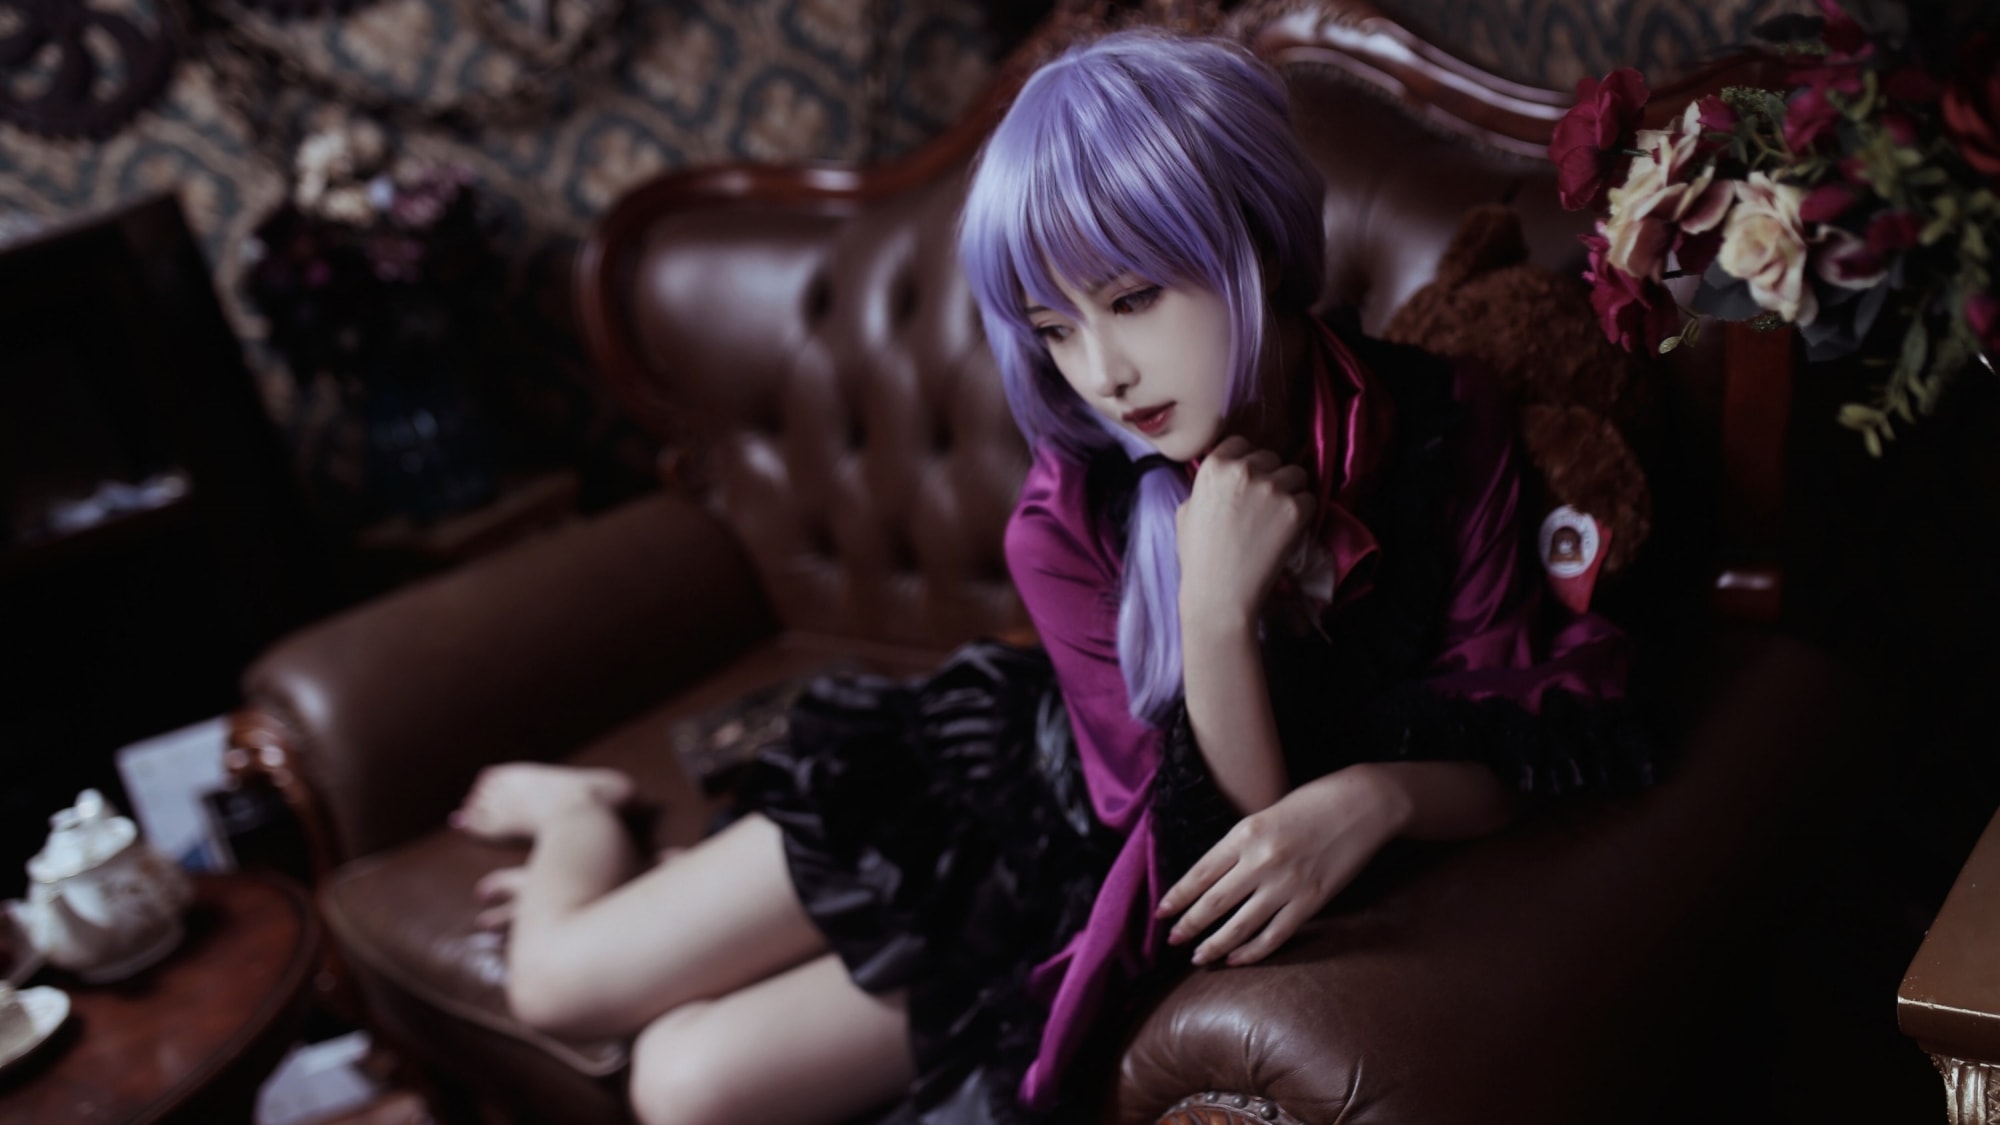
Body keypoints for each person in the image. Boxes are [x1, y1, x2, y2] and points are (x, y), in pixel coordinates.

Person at [449, 30, 1649, 1125]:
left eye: (1132, 299)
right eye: (1054, 328)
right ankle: (580, 811)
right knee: (557, 986)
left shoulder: (1441, 420)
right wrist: (1213, 612)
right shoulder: (1066, 510)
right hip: (1002, 793)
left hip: (1080, 903)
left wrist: (1376, 796)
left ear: (1255, 243)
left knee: (682, 1088)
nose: (1103, 372)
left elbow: (1512, 716)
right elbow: (1194, 838)